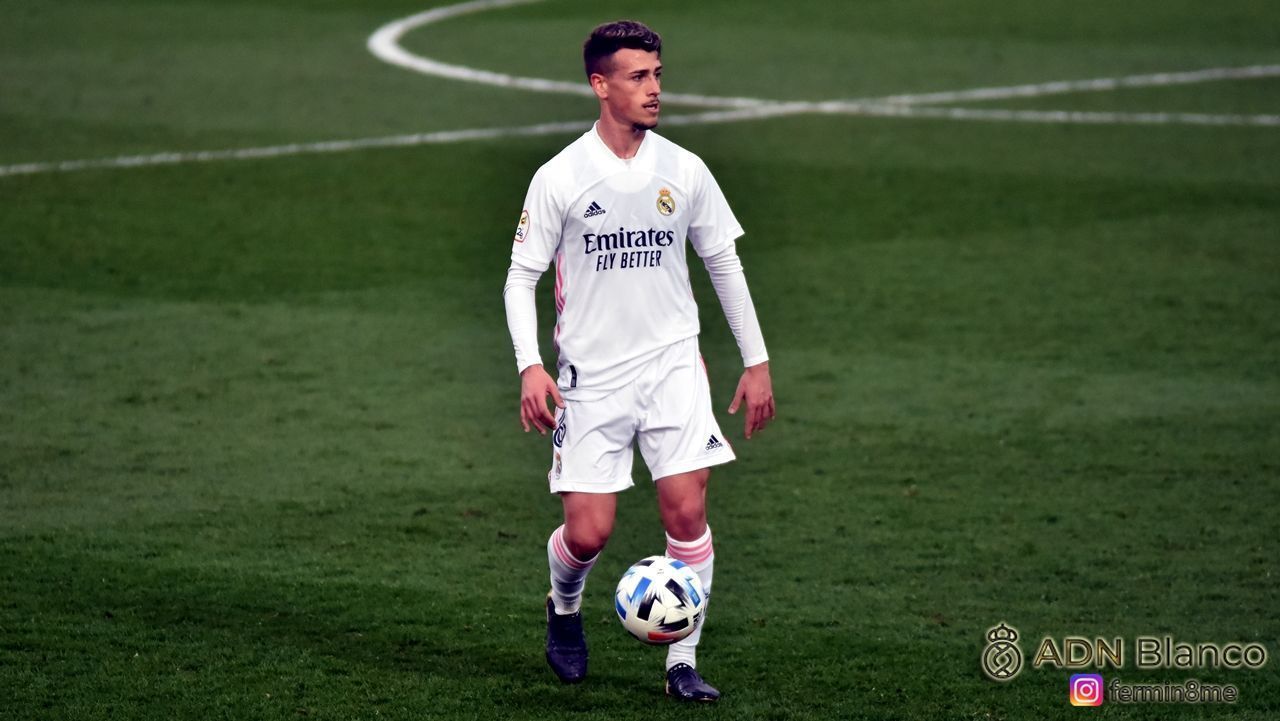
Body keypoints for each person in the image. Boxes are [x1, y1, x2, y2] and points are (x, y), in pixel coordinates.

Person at [502, 19, 775, 702]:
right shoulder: (561, 176)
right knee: (588, 532)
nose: (654, 88)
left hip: (672, 367)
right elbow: (521, 277)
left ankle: (682, 660)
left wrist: (756, 360)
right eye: (637, 77)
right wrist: (530, 365)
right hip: (590, 379)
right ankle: (565, 606)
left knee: (686, 513)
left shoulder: (684, 169)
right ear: (600, 85)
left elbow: (723, 262)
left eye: (657, 74)